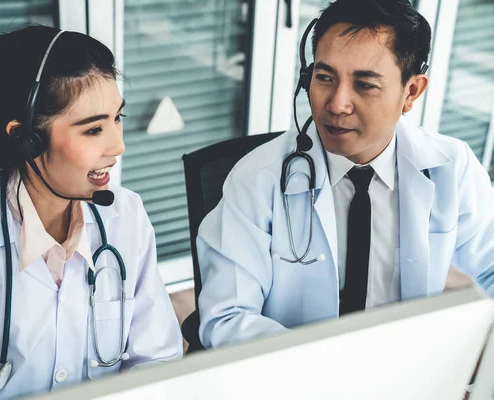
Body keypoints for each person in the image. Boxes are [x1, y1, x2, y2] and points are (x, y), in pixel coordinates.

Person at [0, 25, 182, 399]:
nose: (118, 145)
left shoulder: (125, 216)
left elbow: (157, 362)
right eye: (93, 129)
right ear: (25, 140)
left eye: (117, 119)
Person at [196, 0, 494, 350]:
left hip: (412, 369)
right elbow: (227, 318)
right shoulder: (256, 179)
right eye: (324, 78)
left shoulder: (451, 167)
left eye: (365, 85)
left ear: (410, 91)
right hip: (296, 376)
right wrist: (335, 370)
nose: (336, 104)